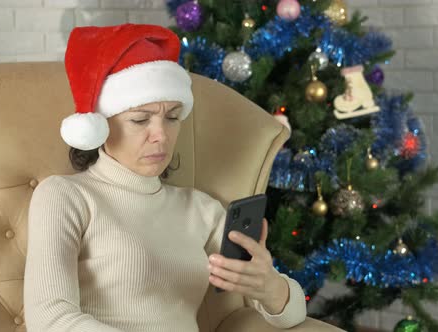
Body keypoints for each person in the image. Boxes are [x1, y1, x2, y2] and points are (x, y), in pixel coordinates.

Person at [23, 23, 307, 332]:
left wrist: (271, 287)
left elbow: (292, 316)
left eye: (172, 117)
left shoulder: (202, 210)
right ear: (101, 124)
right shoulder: (65, 196)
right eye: (140, 119)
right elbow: (49, 318)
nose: (161, 135)